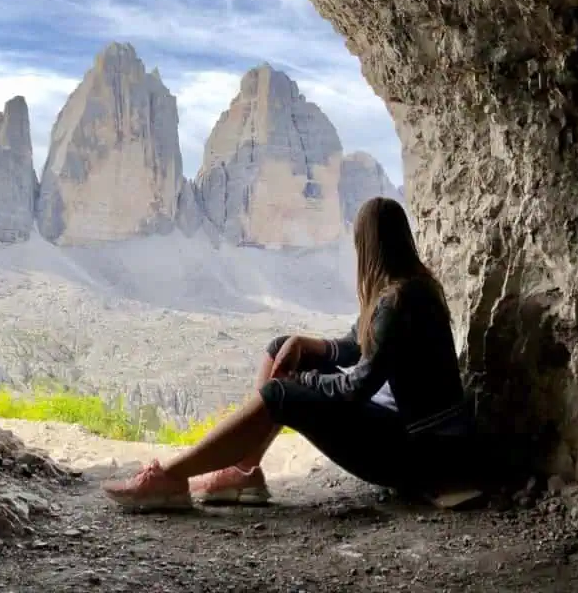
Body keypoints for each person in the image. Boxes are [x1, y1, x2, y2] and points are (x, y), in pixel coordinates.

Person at [102, 196, 473, 510]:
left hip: (421, 455)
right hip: (415, 442)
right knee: (283, 347)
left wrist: (301, 382)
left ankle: (171, 477)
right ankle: (244, 474)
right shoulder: (409, 289)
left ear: (367, 245)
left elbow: (355, 389)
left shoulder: (400, 301)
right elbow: (356, 346)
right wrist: (305, 345)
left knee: (281, 394)